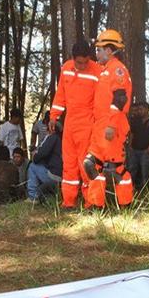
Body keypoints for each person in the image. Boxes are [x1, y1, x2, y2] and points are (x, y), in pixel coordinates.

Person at [83, 29, 133, 208]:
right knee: (90, 165)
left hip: (113, 125)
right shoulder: (104, 71)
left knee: (115, 169)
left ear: (109, 51)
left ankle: (126, 205)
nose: (96, 53)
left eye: (99, 49)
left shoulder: (117, 69)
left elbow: (120, 99)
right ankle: (97, 205)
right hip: (100, 126)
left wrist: (111, 125)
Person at [49, 40, 101, 208]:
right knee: (69, 164)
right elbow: (60, 96)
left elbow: (102, 100)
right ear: (73, 58)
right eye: (79, 62)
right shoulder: (66, 68)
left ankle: (91, 202)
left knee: (86, 164)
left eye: (85, 62)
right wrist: (54, 116)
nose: (82, 65)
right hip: (70, 123)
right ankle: (68, 201)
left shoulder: (97, 70)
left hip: (88, 124)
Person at [26, 123, 63, 203]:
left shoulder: (52, 137)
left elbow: (41, 154)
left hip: (54, 175)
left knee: (32, 166)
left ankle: (33, 197)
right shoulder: (62, 138)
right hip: (63, 176)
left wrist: (35, 155)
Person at [128, 101, 149, 189]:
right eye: (138, 110)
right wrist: (130, 145)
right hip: (134, 149)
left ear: (147, 110)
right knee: (131, 169)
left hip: (145, 151)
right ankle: (130, 187)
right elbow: (132, 133)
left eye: (141, 109)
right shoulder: (136, 120)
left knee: (145, 171)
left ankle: (145, 189)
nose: (139, 111)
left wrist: (148, 150)